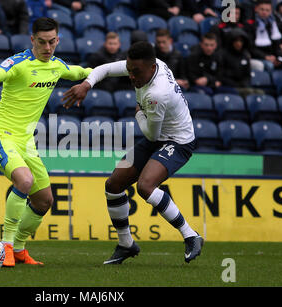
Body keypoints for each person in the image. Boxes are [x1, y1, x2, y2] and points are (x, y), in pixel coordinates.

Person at [0, 17, 92, 267]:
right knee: (25, 180)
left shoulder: (56, 66)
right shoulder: (18, 63)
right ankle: (7, 246)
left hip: (27, 143)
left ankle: (21, 249)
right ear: (32, 40)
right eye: (43, 42)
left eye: (52, 42)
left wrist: (105, 73)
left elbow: (80, 72)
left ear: (58, 40)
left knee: (44, 200)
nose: (48, 48)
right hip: (1, 137)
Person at [62, 41, 204, 264]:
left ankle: (191, 235)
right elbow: (106, 69)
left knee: (145, 187)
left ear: (150, 68)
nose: (131, 76)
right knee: (113, 185)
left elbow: (150, 135)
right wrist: (87, 84)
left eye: (135, 72)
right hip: (157, 135)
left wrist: (138, 114)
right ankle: (126, 244)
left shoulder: (157, 94)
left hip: (177, 141)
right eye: (129, 69)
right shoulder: (146, 66)